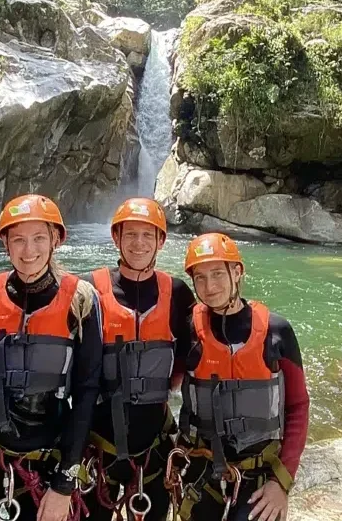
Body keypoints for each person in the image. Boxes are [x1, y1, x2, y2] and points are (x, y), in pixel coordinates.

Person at [0, 194, 103, 521]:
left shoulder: (82, 303)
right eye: (18, 239)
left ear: (55, 240)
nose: (28, 250)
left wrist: (64, 483)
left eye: (39, 238)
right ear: (5, 243)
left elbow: (87, 391)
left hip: (46, 462)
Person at [165, 233, 310, 521]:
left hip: (258, 477)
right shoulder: (189, 330)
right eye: (200, 278)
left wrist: (281, 481)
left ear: (237, 272)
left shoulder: (277, 331)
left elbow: (298, 406)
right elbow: (166, 385)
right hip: (201, 473)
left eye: (218, 274)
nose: (209, 287)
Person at [80, 198, 195, 521]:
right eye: (130, 234)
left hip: (153, 446)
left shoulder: (178, 293)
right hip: (98, 447)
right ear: (116, 237)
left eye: (148, 235)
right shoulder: (89, 288)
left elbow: (190, 357)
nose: (139, 243)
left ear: (161, 241)